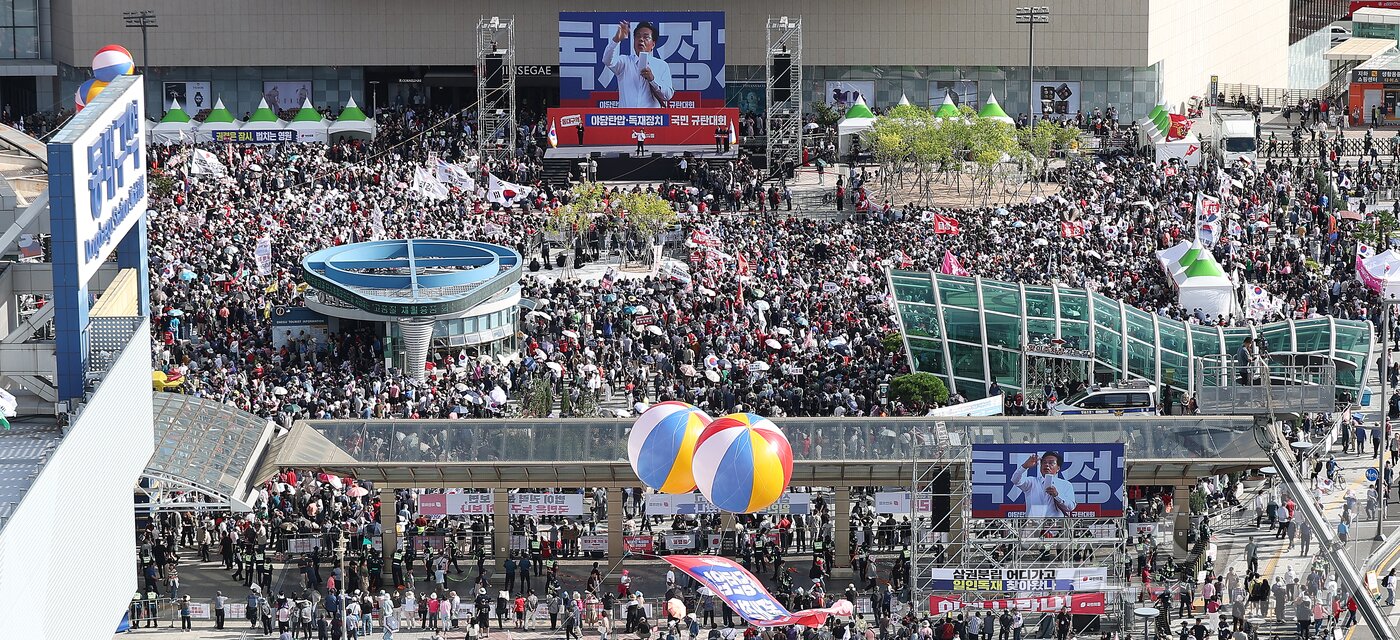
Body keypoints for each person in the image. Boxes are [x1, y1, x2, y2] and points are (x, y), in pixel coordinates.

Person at [603, 20, 674, 109]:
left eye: (646, 37)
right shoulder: (624, 62)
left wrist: (652, 79)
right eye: (638, 36)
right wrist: (616, 40)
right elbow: (607, 60)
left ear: (653, 44)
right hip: (627, 119)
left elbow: (668, 95)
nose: (641, 39)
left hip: (651, 120)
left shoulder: (662, 65)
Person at [1011, 451, 1077, 516]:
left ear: (1058, 468)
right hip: (1033, 524)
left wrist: (1057, 495)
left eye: (1051, 463)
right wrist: (1025, 466)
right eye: (1044, 462)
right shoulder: (1032, 482)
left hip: (1056, 524)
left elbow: (1071, 507)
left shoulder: (1065, 485)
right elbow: (1015, 480)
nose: (1047, 465)